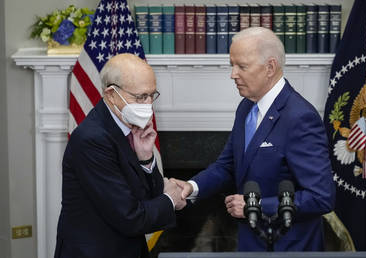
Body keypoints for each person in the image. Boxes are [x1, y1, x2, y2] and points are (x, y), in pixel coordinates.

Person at [173, 27, 335, 251]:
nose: (233, 74)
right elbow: (228, 165)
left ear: (270, 67)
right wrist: (192, 187)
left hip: (290, 247)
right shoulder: (247, 106)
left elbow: (321, 197)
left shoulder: (300, 117)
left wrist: (255, 205)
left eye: (242, 66)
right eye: (232, 65)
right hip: (251, 244)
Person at [54, 53, 185, 258]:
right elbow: (130, 217)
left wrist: (146, 159)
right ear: (111, 94)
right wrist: (170, 199)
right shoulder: (92, 139)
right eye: (141, 97)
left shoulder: (128, 128)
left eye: (152, 95)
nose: (148, 104)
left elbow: (148, 198)